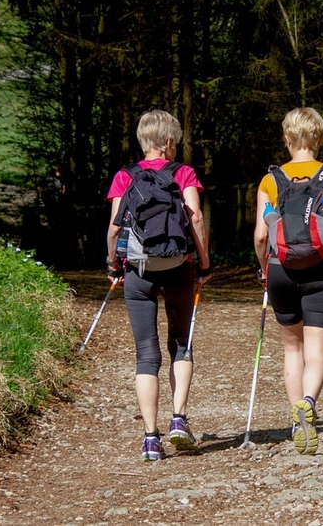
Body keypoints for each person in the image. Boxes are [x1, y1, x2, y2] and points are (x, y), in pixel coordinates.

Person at [252, 107, 323, 455]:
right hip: (320, 271)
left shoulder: (270, 180)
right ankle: (309, 403)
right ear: (319, 138)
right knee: (316, 353)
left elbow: (260, 236)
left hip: (279, 270)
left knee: (292, 349)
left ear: (286, 138)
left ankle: (297, 421)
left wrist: (264, 270)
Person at [106, 110, 212, 462]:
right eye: (176, 140)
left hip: (138, 272)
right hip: (178, 268)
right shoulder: (183, 173)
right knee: (181, 343)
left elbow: (115, 229)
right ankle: (179, 418)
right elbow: (195, 218)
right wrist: (204, 263)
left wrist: (113, 264)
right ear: (168, 142)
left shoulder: (125, 176)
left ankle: (151, 439)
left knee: (146, 354)